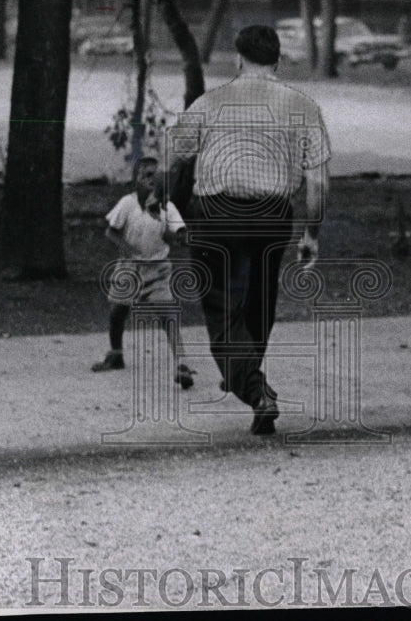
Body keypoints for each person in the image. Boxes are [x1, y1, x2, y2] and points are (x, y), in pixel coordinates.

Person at [164, 24, 330, 435]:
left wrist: (162, 197)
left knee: (221, 307)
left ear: (238, 59)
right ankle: (243, 371)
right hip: (273, 214)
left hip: (216, 214)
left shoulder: (210, 102)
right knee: (259, 301)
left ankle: (254, 389)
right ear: (277, 61)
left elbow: (172, 155)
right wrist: (312, 234)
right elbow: (320, 181)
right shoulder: (303, 106)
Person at [94, 156, 196, 390]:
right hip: (129, 269)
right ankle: (116, 353)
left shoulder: (166, 207)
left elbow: (173, 234)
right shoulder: (127, 204)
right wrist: (128, 251)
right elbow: (111, 232)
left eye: (156, 176)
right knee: (118, 310)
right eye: (147, 175)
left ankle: (182, 364)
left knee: (168, 313)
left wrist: (180, 237)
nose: (153, 180)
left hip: (158, 269)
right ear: (136, 180)